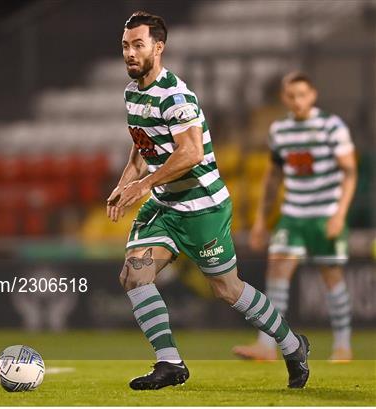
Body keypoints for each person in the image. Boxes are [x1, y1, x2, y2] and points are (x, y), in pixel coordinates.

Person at [107, 11, 310, 391]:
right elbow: (141, 146)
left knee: (227, 289)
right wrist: (125, 183)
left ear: (158, 47)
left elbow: (191, 152)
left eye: (138, 45)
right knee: (134, 274)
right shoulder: (132, 93)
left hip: (203, 208)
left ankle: (292, 344)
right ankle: (169, 363)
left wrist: (143, 185)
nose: (130, 53)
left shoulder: (176, 95)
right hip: (166, 207)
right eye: (125, 46)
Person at [233, 72, 357, 363]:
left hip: (325, 213)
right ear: (284, 98)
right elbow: (273, 177)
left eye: (302, 95)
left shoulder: (331, 125)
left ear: (312, 95)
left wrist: (340, 213)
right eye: (291, 96)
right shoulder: (280, 130)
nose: (297, 101)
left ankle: (343, 345)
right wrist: (262, 221)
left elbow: (349, 172)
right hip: (293, 214)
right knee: (277, 274)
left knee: (331, 276)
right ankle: (266, 346)